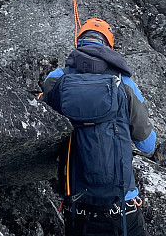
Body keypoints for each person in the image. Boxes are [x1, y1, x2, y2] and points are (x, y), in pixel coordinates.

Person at [43, 18, 156, 235]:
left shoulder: (55, 80)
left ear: (80, 42)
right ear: (108, 46)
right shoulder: (124, 82)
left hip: (77, 209)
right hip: (121, 208)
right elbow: (147, 145)